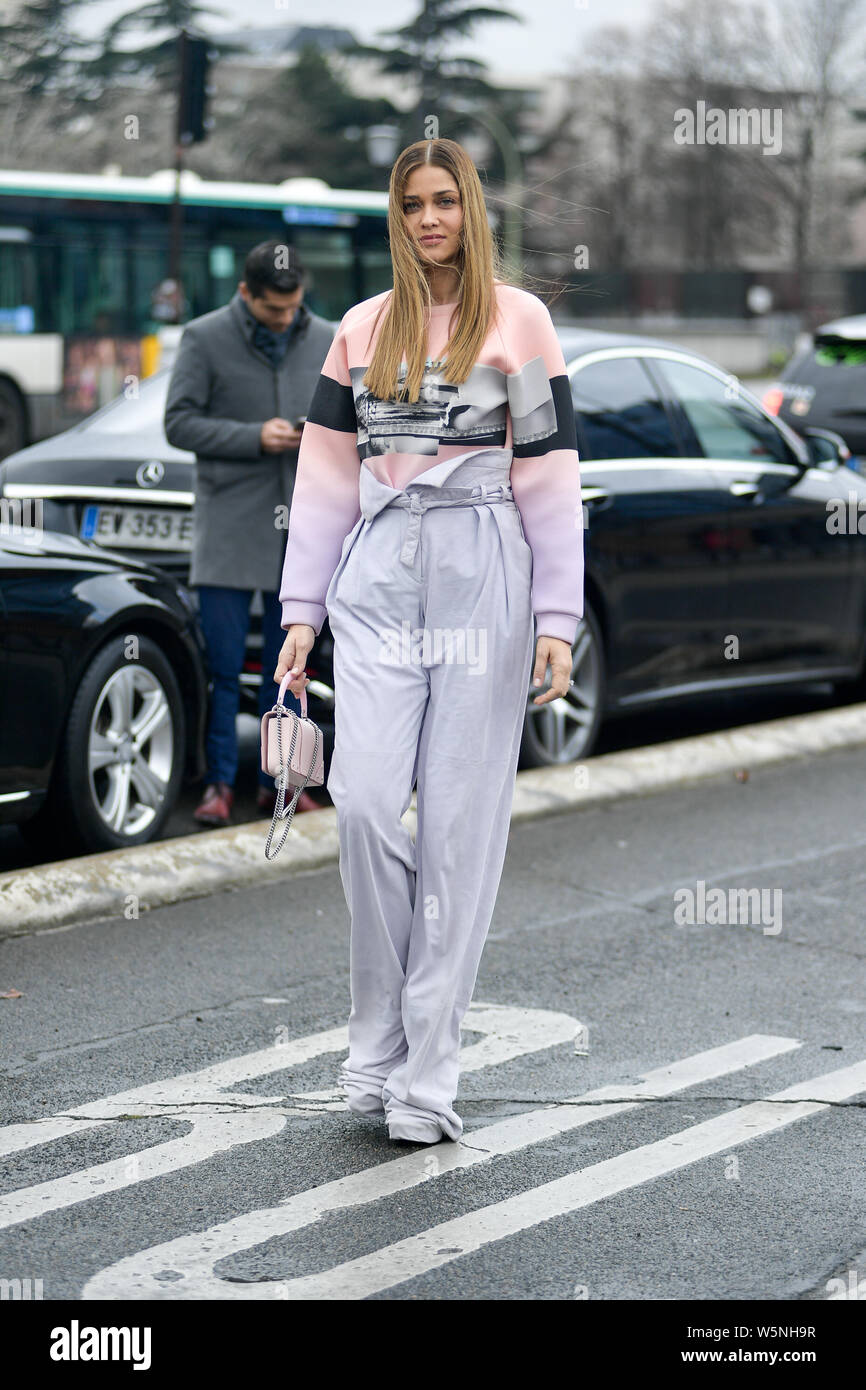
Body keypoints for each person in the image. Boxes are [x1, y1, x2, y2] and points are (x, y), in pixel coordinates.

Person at [274, 138, 584, 1145]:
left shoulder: (519, 320)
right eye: (412, 205)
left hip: (479, 565)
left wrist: (553, 620)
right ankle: (375, 1043)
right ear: (396, 217)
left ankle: (425, 1073)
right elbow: (321, 481)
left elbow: (548, 475)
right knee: (363, 805)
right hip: (374, 576)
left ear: (470, 208)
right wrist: (298, 613)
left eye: (445, 201)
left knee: (456, 829)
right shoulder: (360, 329)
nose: (430, 221)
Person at [164, 241, 334, 826]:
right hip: (231, 530)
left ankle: (281, 786)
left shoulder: (330, 337)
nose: (286, 319)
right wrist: (252, 437)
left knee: (288, 669)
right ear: (245, 295)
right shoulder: (203, 337)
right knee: (222, 664)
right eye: (272, 311)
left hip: (303, 529)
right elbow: (177, 422)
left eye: (293, 308)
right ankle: (214, 785)